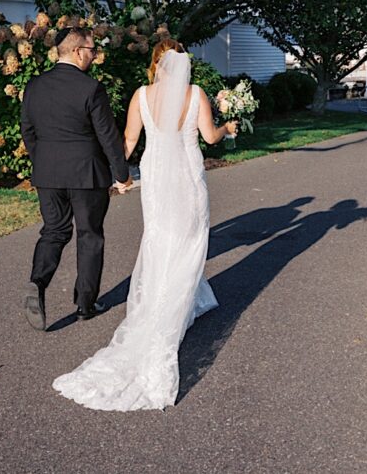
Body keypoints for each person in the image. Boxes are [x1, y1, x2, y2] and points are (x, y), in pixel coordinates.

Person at [53, 40, 237, 411]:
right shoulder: (196, 93)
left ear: (155, 64)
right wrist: (228, 126)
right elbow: (209, 136)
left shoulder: (139, 96)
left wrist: (114, 174)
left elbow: (128, 141)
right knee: (189, 239)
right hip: (187, 175)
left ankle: (177, 298)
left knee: (160, 239)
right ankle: (173, 309)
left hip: (155, 177)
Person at [19, 27, 134, 329]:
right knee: (89, 234)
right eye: (92, 49)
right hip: (87, 173)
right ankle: (85, 303)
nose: (95, 55)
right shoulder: (90, 88)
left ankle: (37, 281)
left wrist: (43, 161)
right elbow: (108, 136)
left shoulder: (34, 86)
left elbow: (28, 131)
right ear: (77, 51)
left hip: (48, 172)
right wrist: (121, 174)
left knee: (54, 230)